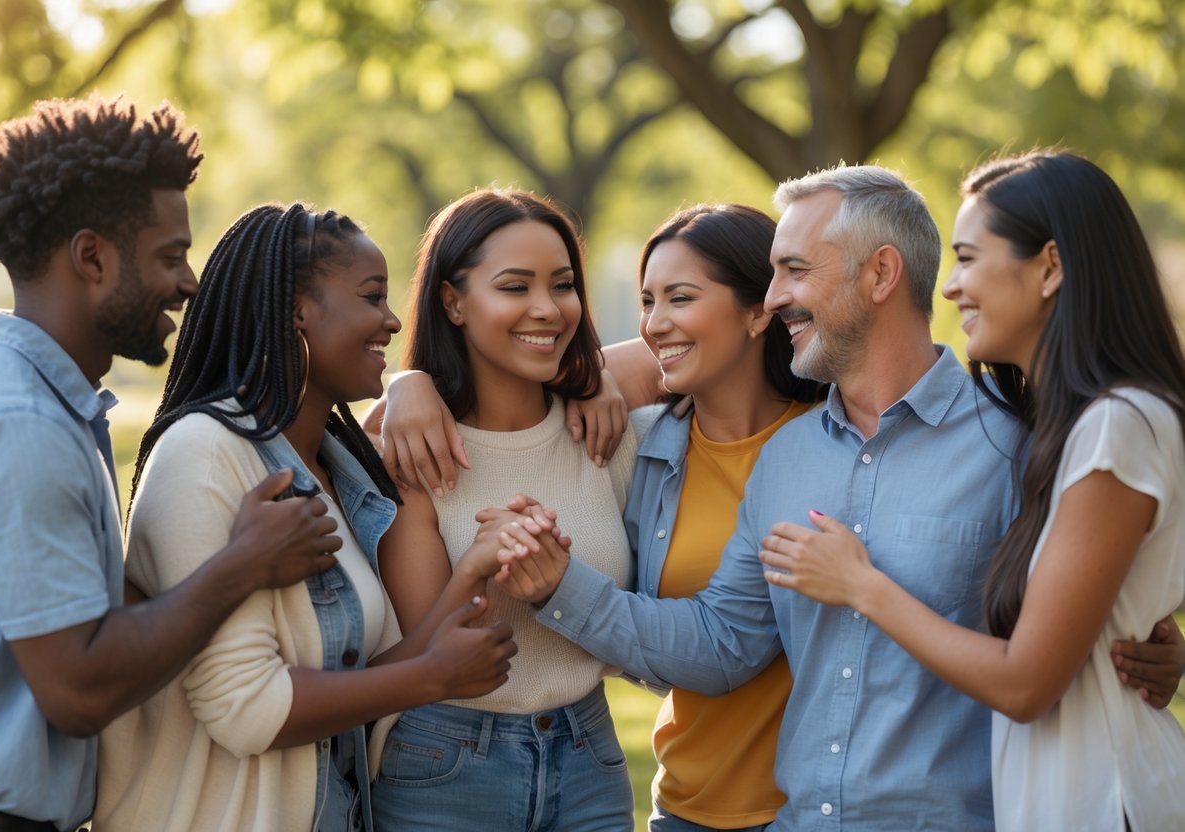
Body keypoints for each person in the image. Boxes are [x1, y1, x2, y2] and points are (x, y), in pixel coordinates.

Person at [487, 165, 1185, 830]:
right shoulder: (784, 458)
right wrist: (561, 587)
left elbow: (1077, 617)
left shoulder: (1018, 439)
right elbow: (724, 642)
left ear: (880, 273)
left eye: (793, 270)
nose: (773, 297)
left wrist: (1133, 640)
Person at [762, 151, 1185, 830]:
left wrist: (860, 586)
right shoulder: (1057, 427)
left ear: (1049, 267)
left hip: (1108, 804)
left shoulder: (1116, 425)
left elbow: (1023, 684)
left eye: (966, 258)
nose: (950, 287)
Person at [0, 96, 340, 832]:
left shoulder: (52, 404)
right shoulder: (23, 424)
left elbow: (84, 616)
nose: (191, 282)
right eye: (169, 256)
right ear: (91, 258)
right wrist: (243, 564)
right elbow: (78, 689)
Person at [92, 203, 522, 832]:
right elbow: (246, 708)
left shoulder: (335, 468)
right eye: (372, 296)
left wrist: (474, 574)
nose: (393, 319)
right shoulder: (206, 454)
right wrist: (431, 677)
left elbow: (358, 682)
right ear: (296, 309)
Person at [368, 189, 638, 831]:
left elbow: (708, 340)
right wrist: (405, 382)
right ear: (453, 301)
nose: (547, 309)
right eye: (514, 287)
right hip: (447, 761)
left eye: (563, 284)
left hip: (589, 755)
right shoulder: (412, 451)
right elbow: (422, 659)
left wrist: (596, 375)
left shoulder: (609, 430)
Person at [625, 204, 823, 831]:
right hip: (683, 810)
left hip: (818, 813)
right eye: (647, 301)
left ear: (759, 309)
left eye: (679, 297)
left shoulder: (841, 439)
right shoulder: (637, 448)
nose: (655, 325)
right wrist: (414, 383)